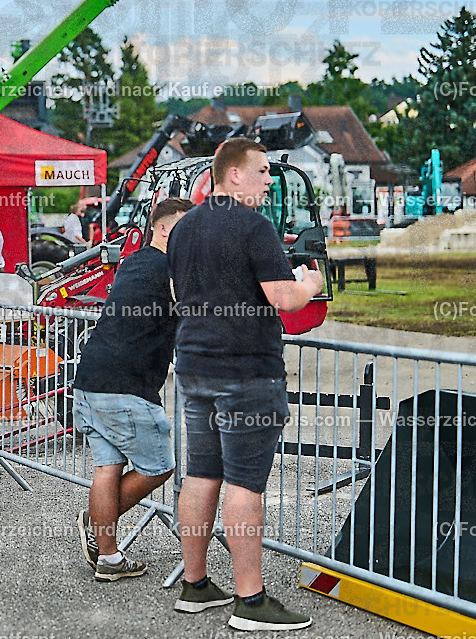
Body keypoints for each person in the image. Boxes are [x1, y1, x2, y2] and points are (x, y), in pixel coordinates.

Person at [167, 138, 324, 630]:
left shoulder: (184, 226)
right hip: (245, 374)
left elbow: (178, 293)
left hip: (194, 368)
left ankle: (195, 585)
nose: (268, 180)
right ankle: (251, 602)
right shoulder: (254, 226)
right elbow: (283, 297)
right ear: (233, 174)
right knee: (243, 483)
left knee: (200, 474)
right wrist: (311, 285)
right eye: (261, 171)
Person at [72, 197, 194, 582]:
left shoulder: (135, 261)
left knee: (108, 466)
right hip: (126, 388)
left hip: (91, 379)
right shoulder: (169, 268)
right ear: (161, 227)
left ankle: (108, 558)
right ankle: (96, 520)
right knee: (160, 467)